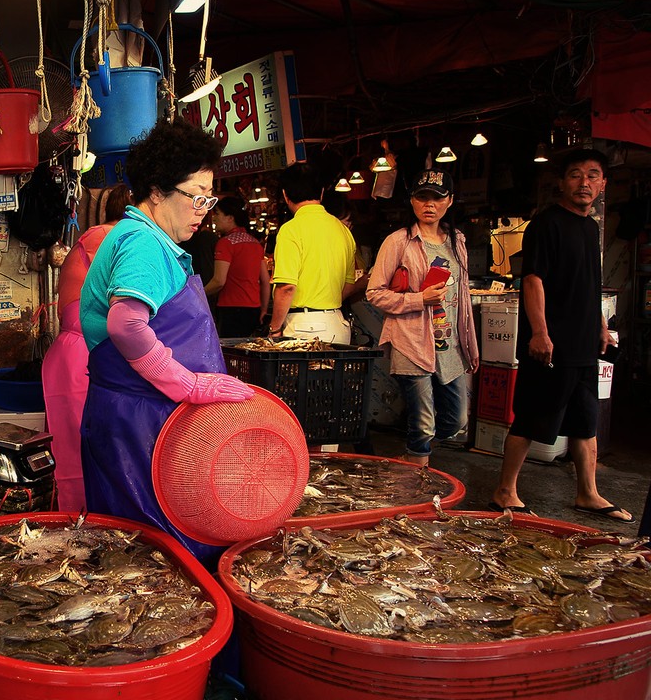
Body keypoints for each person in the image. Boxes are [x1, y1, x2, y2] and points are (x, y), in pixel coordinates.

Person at [77, 119, 256, 565]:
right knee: (158, 560)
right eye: (195, 196)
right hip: (141, 424)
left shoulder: (149, 238)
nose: (203, 209)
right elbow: (126, 324)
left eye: (208, 198)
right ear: (156, 192)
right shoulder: (143, 243)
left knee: (145, 558)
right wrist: (188, 384)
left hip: (144, 417)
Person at [491, 148, 627, 521]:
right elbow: (533, 279)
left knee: (586, 422)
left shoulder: (590, 226)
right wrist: (540, 332)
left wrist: (600, 325)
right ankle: (505, 490)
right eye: (576, 175)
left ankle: (588, 492)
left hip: (584, 344)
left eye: (593, 175)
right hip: (551, 345)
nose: (585, 183)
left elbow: (590, 282)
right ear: (562, 183)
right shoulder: (546, 224)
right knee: (532, 416)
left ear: (603, 183)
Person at [366, 170, 479, 466]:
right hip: (411, 340)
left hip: (449, 343)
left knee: (456, 420)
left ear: (450, 201)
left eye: (437, 198)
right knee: (424, 422)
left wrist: (469, 342)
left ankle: (412, 453)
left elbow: (463, 296)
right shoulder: (398, 241)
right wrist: (419, 299)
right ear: (412, 201)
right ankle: (416, 473)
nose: (430, 204)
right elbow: (374, 293)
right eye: (422, 197)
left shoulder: (458, 241)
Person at [41, 183, 130, 513]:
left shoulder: (114, 236)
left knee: (86, 446)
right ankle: (81, 524)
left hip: (89, 352)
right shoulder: (106, 236)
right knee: (78, 450)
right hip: (81, 355)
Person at [265, 163, 356, 343]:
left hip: (304, 327)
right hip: (338, 324)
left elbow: (286, 287)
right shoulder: (342, 230)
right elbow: (349, 284)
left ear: (285, 195)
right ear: (321, 192)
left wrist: (274, 330)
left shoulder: (291, 230)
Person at [204, 195, 270, 337]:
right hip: (254, 309)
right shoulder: (255, 243)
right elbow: (265, 281)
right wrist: (263, 309)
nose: (214, 218)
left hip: (230, 310)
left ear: (230, 218)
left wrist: (199, 293)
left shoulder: (226, 243)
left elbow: (219, 281)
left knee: (230, 354)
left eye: (218, 214)